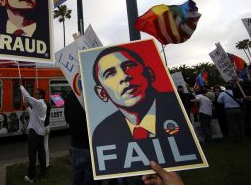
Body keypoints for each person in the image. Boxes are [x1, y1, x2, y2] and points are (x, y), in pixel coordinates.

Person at [91, 46, 202, 176]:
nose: (125, 76)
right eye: (110, 73)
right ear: (102, 93)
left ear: (149, 74)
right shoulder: (101, 132)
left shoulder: (178, 109)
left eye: (129, 65)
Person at [64, 91, 99, 185]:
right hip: (91, 146)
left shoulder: (70, 95)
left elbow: (67, 118)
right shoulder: (92, 93)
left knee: (77, 177)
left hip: (75, 145)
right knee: (90, 179)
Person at [20, 83, 47, 183]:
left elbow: (27, 96)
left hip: (34, 133)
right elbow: (34, 115)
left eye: (36, 93)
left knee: (32, 155)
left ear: (40, 96)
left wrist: (21, 86)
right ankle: (43, 172)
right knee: (41, 154)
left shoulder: (39, 103)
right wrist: (27, 107)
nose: (34, 95)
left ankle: (31, 176)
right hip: (40, 133)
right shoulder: (42, 104)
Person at [44, 97, 51, 170]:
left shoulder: (40, 105)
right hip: (47, 126)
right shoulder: (48, 104)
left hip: (41, 127)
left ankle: (39, 162)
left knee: (39, 145)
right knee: (46, 144)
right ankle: (47, 163)